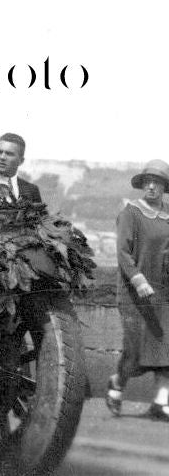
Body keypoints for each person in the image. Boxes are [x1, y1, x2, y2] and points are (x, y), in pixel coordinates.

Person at [107, 160, 169, 420]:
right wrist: (138, 279)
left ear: (164, 187)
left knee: (165, 349)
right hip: (135, 293)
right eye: (148, 181)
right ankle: (116, 384)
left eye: (158, 182)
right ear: (142, 184)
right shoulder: (130, 212)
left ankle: (161, 403)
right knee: (134, 351)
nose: (152, 186)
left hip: (163, 293)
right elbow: (122, 253)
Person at [0, 132, 42, 204]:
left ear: (21, 161)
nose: (2, 157)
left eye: (9, 154)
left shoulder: (32, 190)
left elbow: (41, 215)